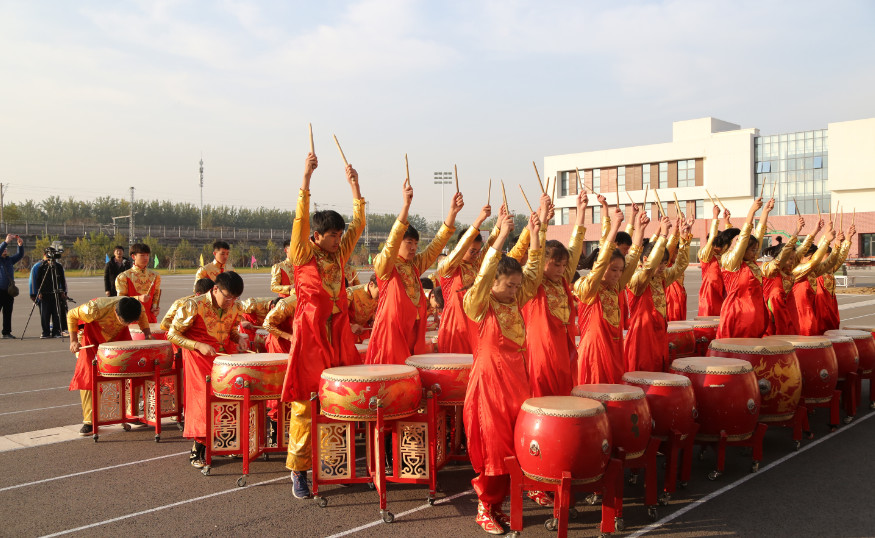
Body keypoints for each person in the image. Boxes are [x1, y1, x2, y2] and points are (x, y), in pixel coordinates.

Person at [280, 152, 365, 500]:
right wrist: (306, 177)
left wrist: (354, 185)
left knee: (337, 399)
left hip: (338, 334)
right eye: (332, 235)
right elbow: (300, 219)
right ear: (316, 237)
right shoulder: (302, 255)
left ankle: (333, 463)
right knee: (305, 402)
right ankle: (298, 470)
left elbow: (358, 225)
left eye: (339, 235)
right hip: (311, 336)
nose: (338, 240)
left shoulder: (339, 255)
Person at [463, 211, 543, 534]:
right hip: (490, 385)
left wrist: (535, 233)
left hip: (517, 383)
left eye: (516, 286)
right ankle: (485, 508)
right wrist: (499, 238)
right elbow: (481, 278)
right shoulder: (479, 304)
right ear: (493, 281)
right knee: (494, 449)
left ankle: (499, 507)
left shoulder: (514, 300)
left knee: (516, 445)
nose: (514, 291)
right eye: (509, 285)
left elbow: (535, 275)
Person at [365, 180, 460, 365]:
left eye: (416, 244)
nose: (414, 247)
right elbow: (391, 242)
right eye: (409, 243)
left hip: (414, 329)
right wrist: (406, 206)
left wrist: (452, 213)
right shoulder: (385, 266)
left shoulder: (414, 265)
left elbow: (436, 246)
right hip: (392, 332)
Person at [167, 271, 246, 468]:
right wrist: (197, 345)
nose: (230, 302)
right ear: (215, 289)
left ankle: (225, 443)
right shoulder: (193, 305)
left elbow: (232, 331)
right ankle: (198, 449)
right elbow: (172, 334)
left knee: (229, 399)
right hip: (199, 358)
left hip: (224, 357)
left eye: (234, 298)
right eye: (227, 297)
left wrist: (240, 339)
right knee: (203, 402)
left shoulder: (236, 306)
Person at [575, 209, 648, 384]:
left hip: (614, 347)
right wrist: (614, 225)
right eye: (613, 270)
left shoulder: (615, 287)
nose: (617, 274)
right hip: (595, 351)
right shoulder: (588, 288)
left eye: (620, 271)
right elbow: (601, 264)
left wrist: (640, 229)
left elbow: (633, 258)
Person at [522, 191, 583, 398]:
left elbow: (575, 247)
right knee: (542, 390)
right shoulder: (535, 283)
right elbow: (535, 257)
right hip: (542, 346)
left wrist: (581, 211)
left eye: (564, 265)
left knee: (565, 387)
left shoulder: (563, 280)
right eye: (556, 264)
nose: (561, 269)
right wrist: (543, 220)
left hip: (563, 344)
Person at [67, 296, 150, 435]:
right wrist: (73, 340)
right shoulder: (94, 309)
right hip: (92, 337)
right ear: (116, 313)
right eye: (126, 321)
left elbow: (142, 316)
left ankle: (132, 412)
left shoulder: (137, 307)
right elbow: (71, 315)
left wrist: (147, 334)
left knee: (133, 369)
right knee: (88, 376)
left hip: (119, 337)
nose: (128, 323)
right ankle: (89, 421)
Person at [625, 215, 692, 373]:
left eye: (664, 263)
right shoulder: (636, 280)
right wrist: (663, 235)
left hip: (659, 332)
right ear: (647, 259)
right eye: (660, 263)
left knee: (659, 369)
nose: (663, 267)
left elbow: (680, 266)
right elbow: (648, 268)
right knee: (644, 372)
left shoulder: (661, 278)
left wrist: (684, 240)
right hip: (642, 335)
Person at [434, 203, 492, 353]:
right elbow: (459, 250)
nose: (475, 255)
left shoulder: (475, 266)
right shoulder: (450, 268)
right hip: (455, 327)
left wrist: (500, 227)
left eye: (477, 252)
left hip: (474, 325)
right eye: (472, 251)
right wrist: (479, 220)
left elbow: (490, 249)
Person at [716, 197, 774, 339]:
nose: (755, 253)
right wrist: (751, 212)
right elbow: (743, 240)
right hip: (738, 314)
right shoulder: (731, 262)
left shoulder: (751, 263)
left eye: (756, 250)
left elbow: (758, 235)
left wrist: (765, 212)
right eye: (752, 250)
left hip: (756, 314)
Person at [762, 216, 806, 336]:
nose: (793, 261)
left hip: (786, 311)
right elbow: (782, 256)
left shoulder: (788, 271)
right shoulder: (771, 269)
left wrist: (816, 233)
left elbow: (803, 249)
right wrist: (796, 231)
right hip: (772, 313)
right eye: (790, 258)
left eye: (793, 258)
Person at [815, 224, 855, 333]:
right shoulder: (813, 270)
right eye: (826, 256)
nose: (828, 260)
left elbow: (840, 257)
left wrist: (848, 238)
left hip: (831, 304)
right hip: (818, 305)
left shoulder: (830, 269)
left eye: (829, 256)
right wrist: (826, 233)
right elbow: (819, 249)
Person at [698, 205, 732, 317]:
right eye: (718, 245)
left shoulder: (722, 255)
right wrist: (715, 216)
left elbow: (728, 241)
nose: (721, 248)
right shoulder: (706, 255)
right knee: (709, 317)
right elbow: (712, 238)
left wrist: (727, 221)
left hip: (723, 289)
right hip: (709, 292)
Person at [115, 243, 161, 323]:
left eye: (147, 255)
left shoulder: (155, 276)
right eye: (142, 255)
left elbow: (156, 295)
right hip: (131, 320)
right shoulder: (124, 277)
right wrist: (138, 298)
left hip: (150, 319)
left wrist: (155, 308)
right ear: (133, 256)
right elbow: (120, 300)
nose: (146, 258)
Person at [31, 249, 68, 339]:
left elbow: (62, 280)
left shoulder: (58, 266)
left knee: (57, 313)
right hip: (44, 294)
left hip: (56, 293)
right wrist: (37, 293)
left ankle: (56, 331)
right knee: (45, 314)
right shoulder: (40, 266)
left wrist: (63, 291)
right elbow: (37, 280)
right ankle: (45, 332)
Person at [0, 234, 25, 339]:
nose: (5, 250)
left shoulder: (9, 260)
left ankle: (6, 332)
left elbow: (20, 255)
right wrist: (6, 242)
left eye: (6, 249)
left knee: (8, 312)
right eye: (3, 249)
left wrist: (20, 245)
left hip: (9, 291)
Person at [346, 274, 379, 342]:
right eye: (380, 292)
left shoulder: (377, 296)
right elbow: (339, 315)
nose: (381, 295)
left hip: (364, 331)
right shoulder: (351, 293)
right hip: (348, 332)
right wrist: (351, 326)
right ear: (371, 284)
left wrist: (373, 321)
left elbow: (373, 316)